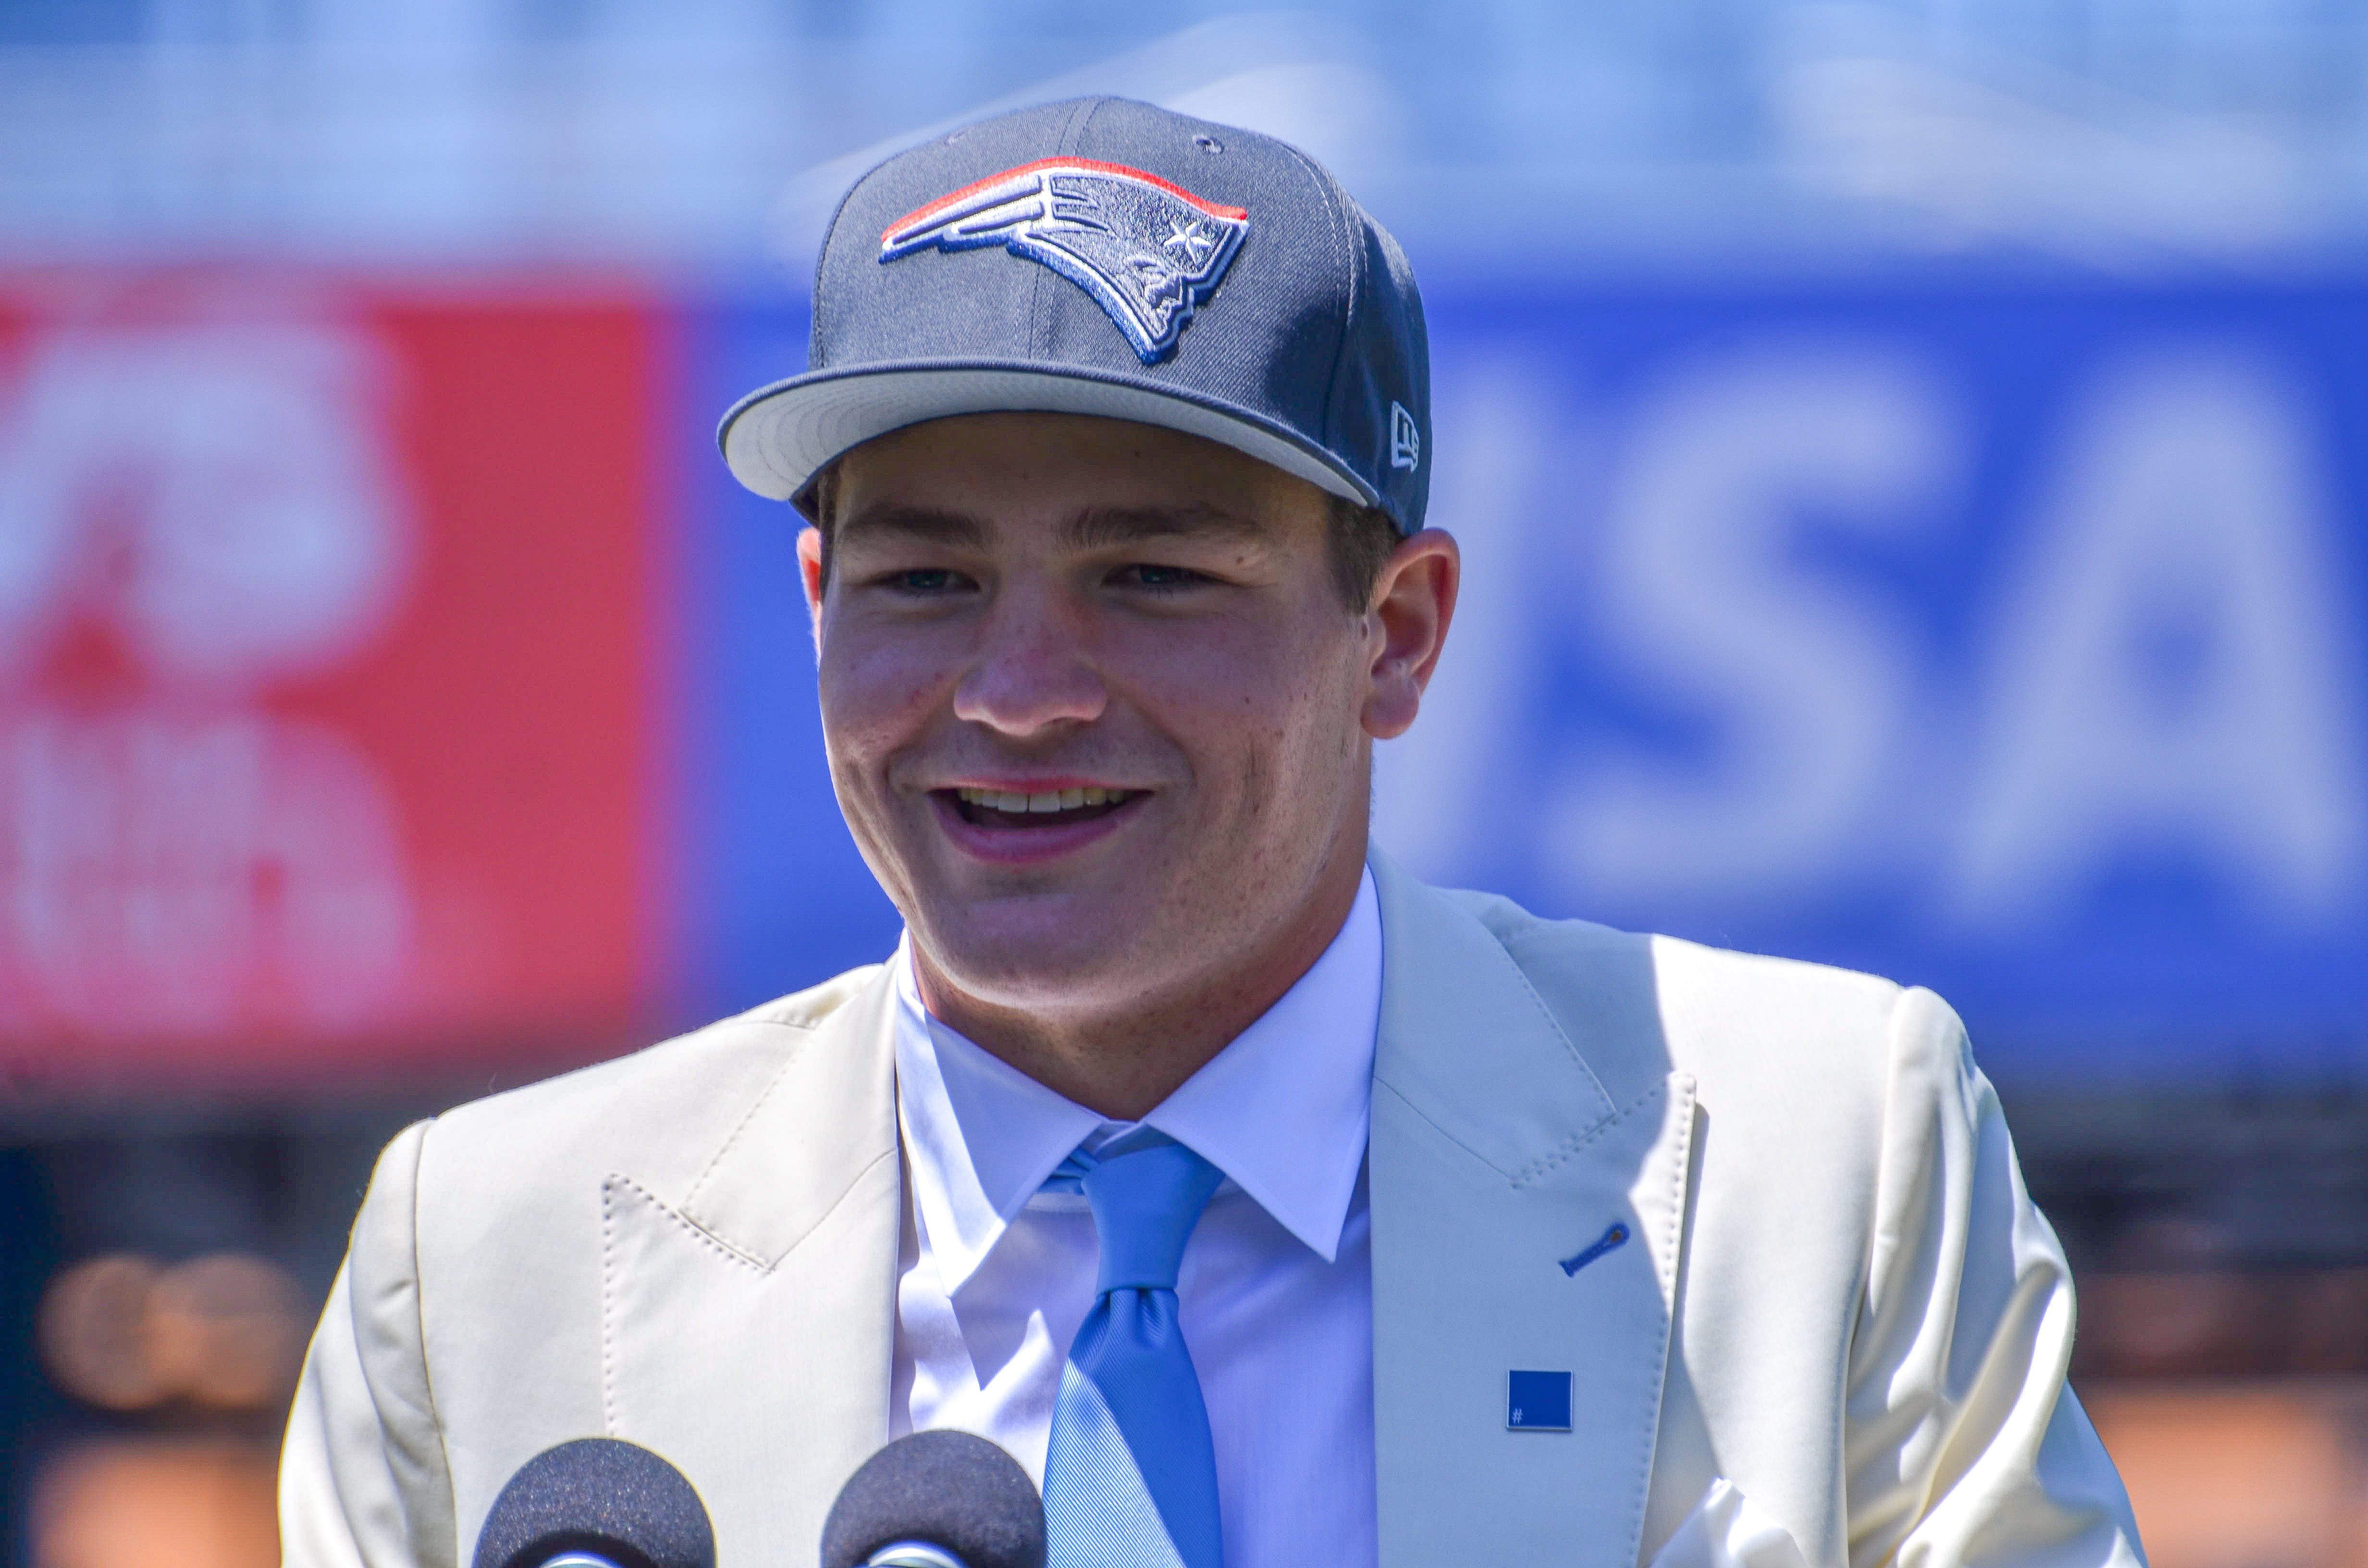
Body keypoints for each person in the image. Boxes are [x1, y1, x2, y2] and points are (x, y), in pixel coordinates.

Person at [280, 98, 2144, 1568]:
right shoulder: (484, 1265)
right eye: (923, 578)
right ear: (811, 605)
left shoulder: (1818, 1168)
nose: (1013, 693)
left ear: (1394, 638)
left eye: (1150, 578)